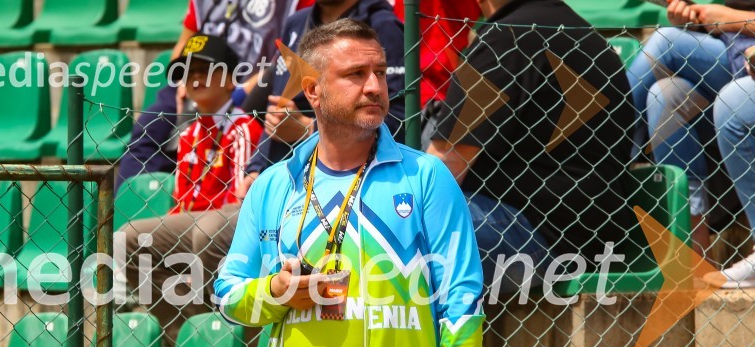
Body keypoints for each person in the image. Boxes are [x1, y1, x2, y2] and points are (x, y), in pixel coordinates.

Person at [214, 19, 484, 347]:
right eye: (355, 74)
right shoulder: (274, 184)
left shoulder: (425, 178)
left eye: (380, 72)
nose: (375, 86)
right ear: (312, 90)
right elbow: (228, 294)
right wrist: (276, 292)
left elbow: (461, 297)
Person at [427, 0, 636, 295]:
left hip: (541, 237)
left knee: (389, 226)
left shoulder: (505, 36)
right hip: (595, 237)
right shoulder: (582, 32)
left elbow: (444, 167)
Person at [121, 33, 263, 347]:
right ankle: (185, 342)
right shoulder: (189, 133)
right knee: (126, 241)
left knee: (206, 234)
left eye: (205, 70)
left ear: (230, 80)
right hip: (191, 232)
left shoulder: (243, 128)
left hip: (223, 232)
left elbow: (239, 205)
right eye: (188, 72)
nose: (195, 78)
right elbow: (181, 201)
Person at [116, 0, 300, 187]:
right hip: (194, 74)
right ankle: (130, 204)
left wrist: (239, 91)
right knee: (147, 127)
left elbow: (290, 56)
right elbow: (183, 43)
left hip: (249, 84)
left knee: (230, 126)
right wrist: (183, 81)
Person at [627, 0, 755, 257]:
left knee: (666, 41)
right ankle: (694, 256)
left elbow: (731, 20)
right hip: (730, 52)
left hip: (746, 63)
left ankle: (605, 150)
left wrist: (731, 17)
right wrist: (695, 22)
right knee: (664, 96)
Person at [242, 0, 407, 179]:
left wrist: (308, 129)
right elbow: (277, 108)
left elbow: (400, 119)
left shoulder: (384, 26)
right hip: (284, 174)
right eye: (356, 73)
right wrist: (256, 166)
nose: (373, 83)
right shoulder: (296, 22)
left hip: (360, 175)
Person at [703, 45, 755, 288]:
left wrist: (716, 15)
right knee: (667, 93)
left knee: (733, 101)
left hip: (736, 46)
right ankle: (696, 254)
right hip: (733, 47)